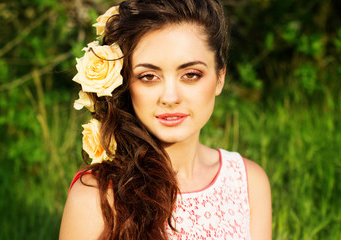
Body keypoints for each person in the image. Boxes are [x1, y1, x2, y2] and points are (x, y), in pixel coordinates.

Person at [59, 0, 272, 239]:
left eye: (191, 74)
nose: (170, 97)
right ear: (125, 83)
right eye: (148, 76)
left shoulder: (248, 183)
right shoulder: (94, 197)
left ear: (220, 78)